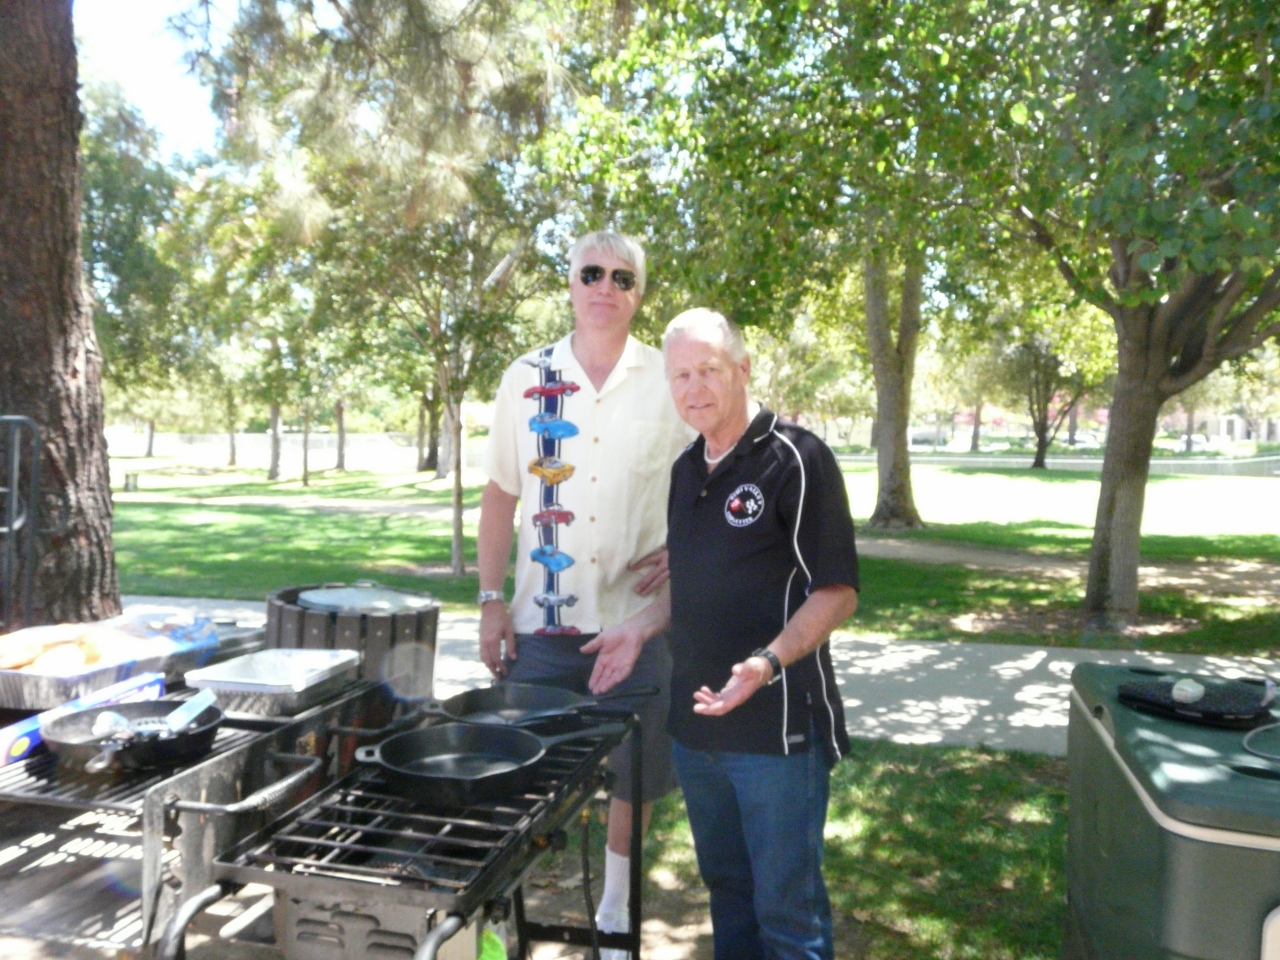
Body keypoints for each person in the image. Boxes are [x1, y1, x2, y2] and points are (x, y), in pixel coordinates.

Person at [587, 308, 859, 960]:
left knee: (787, 912)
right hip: (697, 729)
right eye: (680, 375)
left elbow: (837, 591)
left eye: (708, 369)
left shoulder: (797, 458)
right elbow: (693, 581)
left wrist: (767, 662)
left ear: (742, 369)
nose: (694, 388)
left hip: (777, 735)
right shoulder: (686, 470)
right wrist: (641, 626)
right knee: (728, 891)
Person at [477, 230, 694, 954]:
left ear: (639, 293)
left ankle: (612, 915)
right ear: (569, 284)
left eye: (623, 277)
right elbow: (502, 494)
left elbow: (713, 476)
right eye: (591, 273)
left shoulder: (671, 379)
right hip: (542, 628)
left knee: (633, 785)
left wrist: (687, 546)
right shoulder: (525, 378)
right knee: (521, 780)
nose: (606, 286)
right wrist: (490, 600)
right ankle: (501, 919)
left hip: (638, 627)